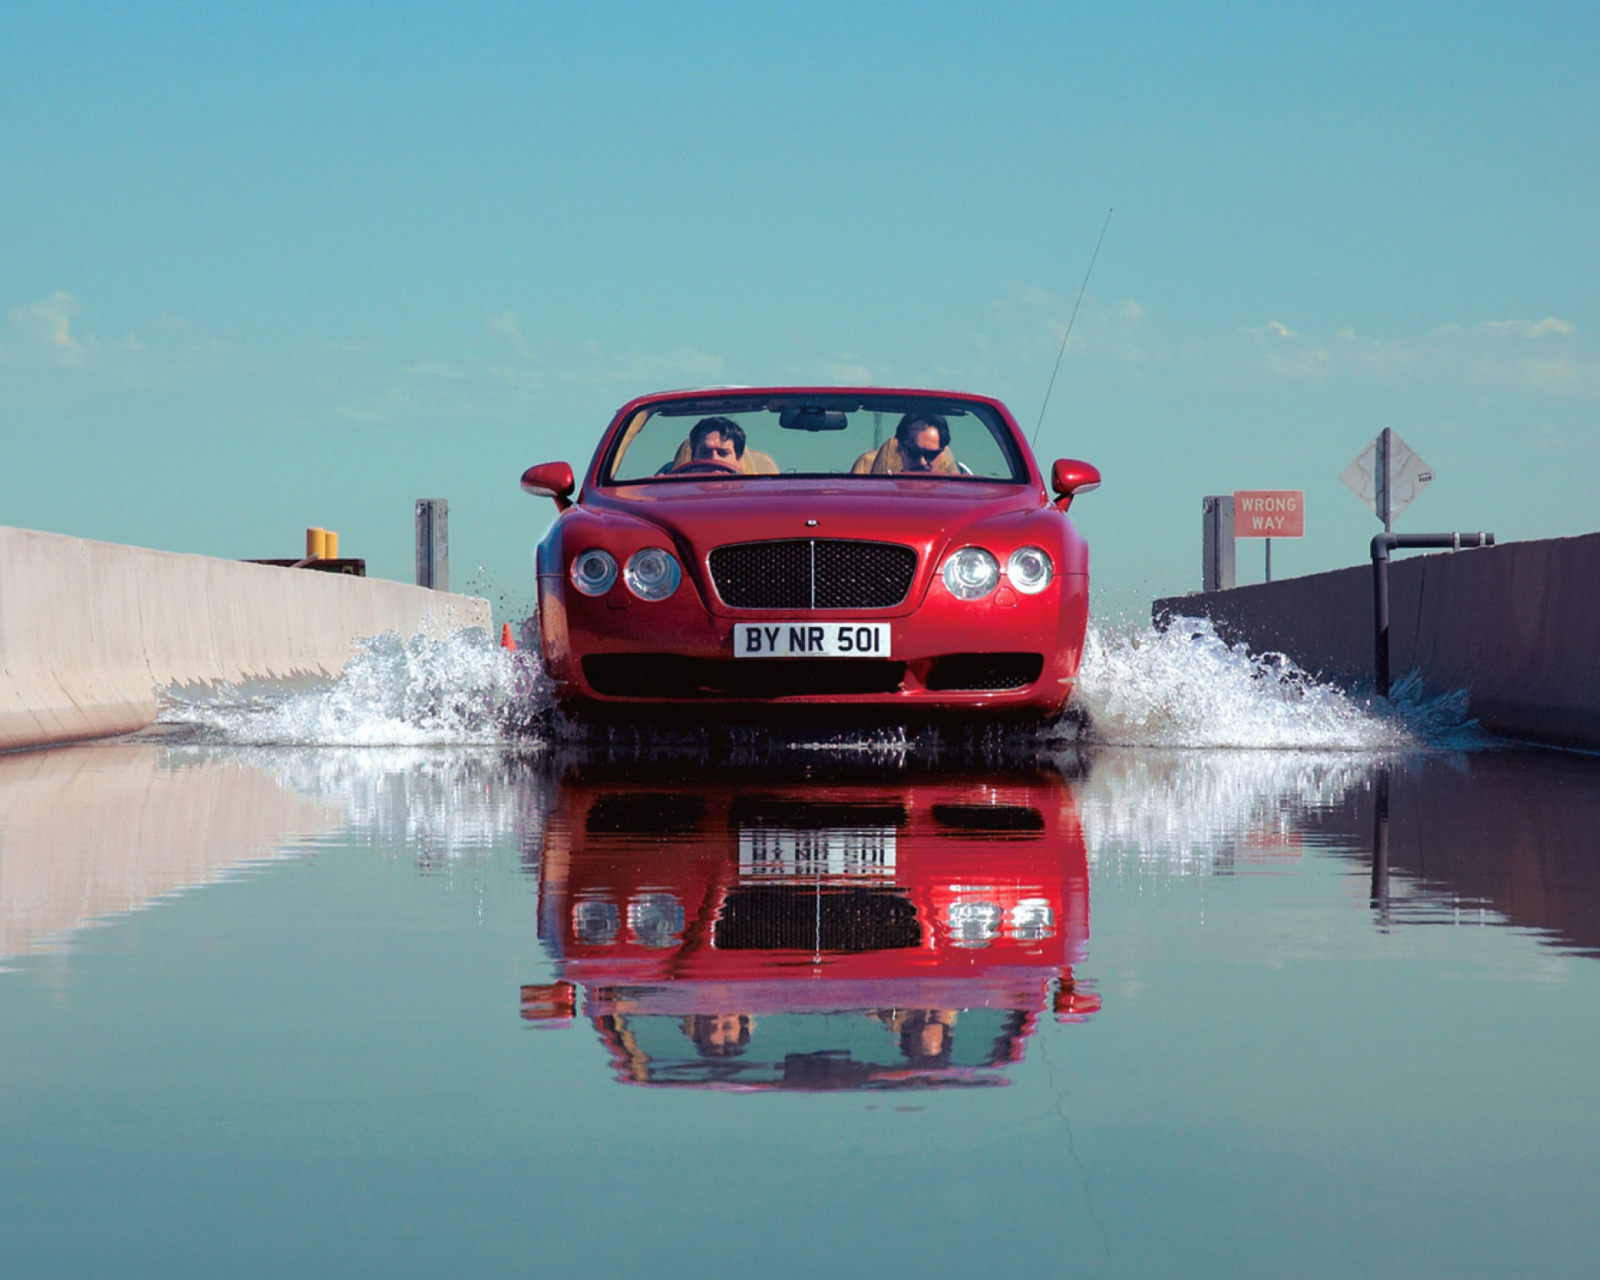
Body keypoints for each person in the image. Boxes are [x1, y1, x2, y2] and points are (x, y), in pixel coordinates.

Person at [850, 412, 958, 475]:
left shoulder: (962, 499)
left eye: (931, 455)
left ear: (942, 452)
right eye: (913, 453)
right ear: (900, 450)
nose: (922, 462)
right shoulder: (876, 501)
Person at [673, 416, 746, 471]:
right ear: (693, 457)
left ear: (738, 460)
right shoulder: (678, 490)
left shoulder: (752, 490)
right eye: (705, 452)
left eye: (723, 453)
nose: (713, 459)